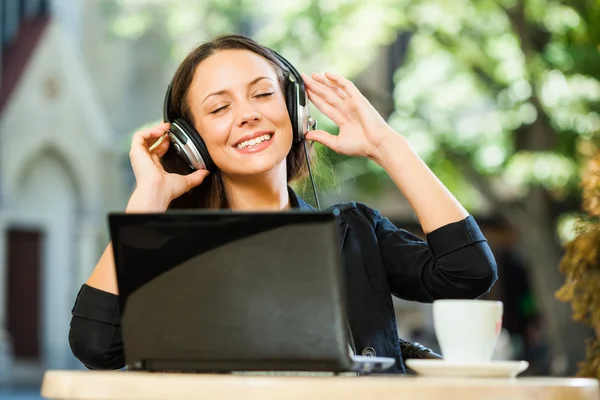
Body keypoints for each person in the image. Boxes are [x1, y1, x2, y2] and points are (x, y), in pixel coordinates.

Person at [69, 33, 498, 374]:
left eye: (262, 94)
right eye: (219, 107)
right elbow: (96, 346)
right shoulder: (173, 249)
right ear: (193, 141)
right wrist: (147, 202)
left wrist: (387, 146)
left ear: (293, 108)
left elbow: (469, 272)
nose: (247, 115)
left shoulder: (355, 232)